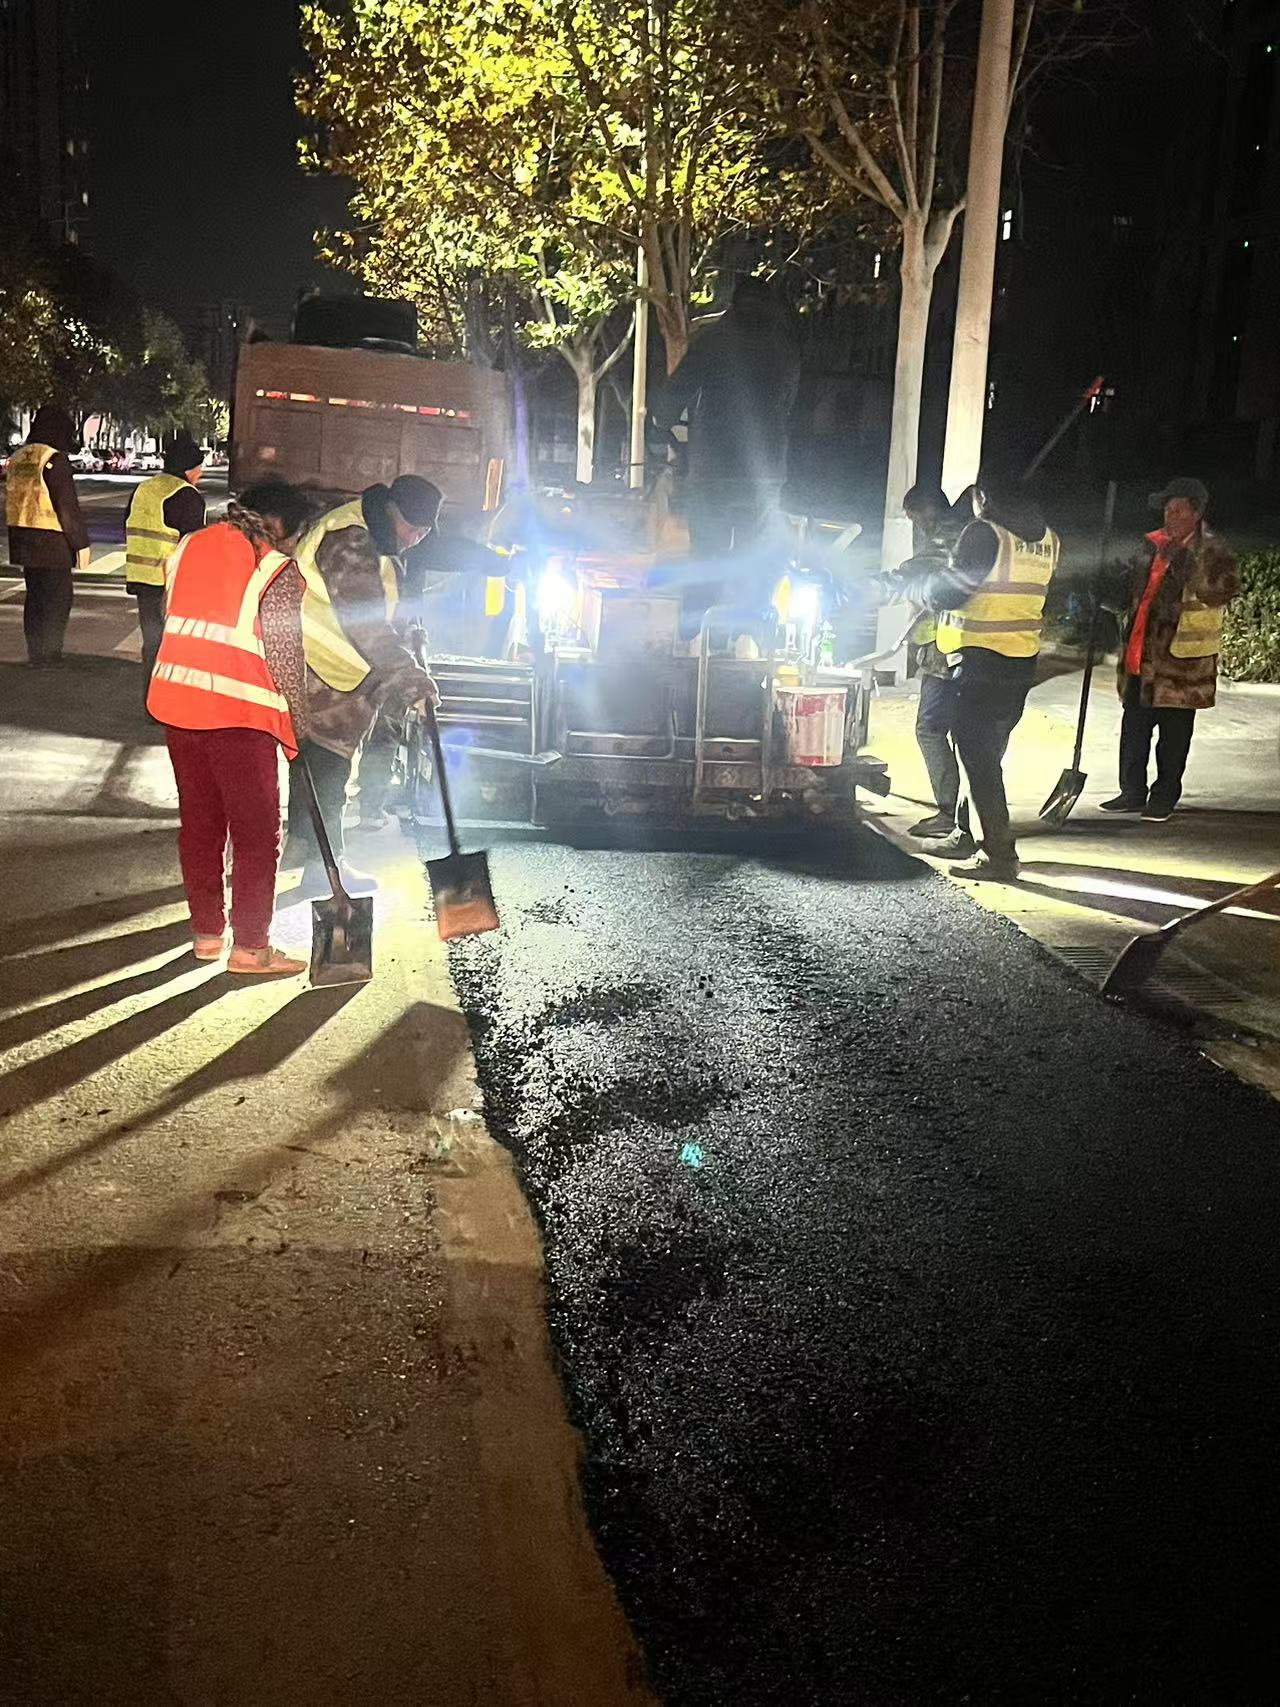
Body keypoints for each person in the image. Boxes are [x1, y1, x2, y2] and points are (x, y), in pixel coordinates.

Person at [147, 482, 312, 975]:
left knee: (200, 826)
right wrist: (300, 728)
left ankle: (206, 935)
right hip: (240, 718)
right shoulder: (273, 568)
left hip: (180, 708)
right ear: (281, 526)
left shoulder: (189, 546)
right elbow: (286, 659)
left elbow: (172, 614)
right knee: (256, 835)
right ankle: (251, 948)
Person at [286, 474, 441, 890]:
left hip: (335, 673)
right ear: (392, 510)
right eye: (412, 527)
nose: (415, 538)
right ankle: (324, 871)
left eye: (424, 532)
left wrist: (407, 631)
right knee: (328, 769)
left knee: (315, 766)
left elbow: (384, 603)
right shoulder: (349, 540)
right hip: (319, 671)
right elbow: (365, 623)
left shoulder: (378, 534)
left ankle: (301, 848)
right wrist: (412, 681)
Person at [914, 472, 1061, 879]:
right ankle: (966, 834)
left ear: (984, 497)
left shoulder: (985, 533)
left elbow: (951, 592)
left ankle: (998, 854)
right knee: (984, 752)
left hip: (980, 660)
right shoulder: (1048, 539)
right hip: (1020, 660)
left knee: (978, 758)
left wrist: (927, 589)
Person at [650, 277, 800, 614]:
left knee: (708, 550)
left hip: (714, 467)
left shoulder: (715, 340)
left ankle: (700, 620)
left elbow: (679, 389)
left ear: (734, 303)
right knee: (752, 551)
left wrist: (662, 422)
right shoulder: (784, 348)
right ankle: (746, 618)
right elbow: (788, 403)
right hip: (765, 471)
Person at [1099, 478, 1239, 822]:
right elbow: (1133, 593)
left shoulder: (1213, 551)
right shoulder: (1152, 545)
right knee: (1134, 727)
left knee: (1173, 736)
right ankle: (1132, 791)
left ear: (1197, 512)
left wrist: (1183, 562)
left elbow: (1220, 592)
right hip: (1140, 654)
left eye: (1178, 509)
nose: (1170, 515)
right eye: (1167, 509)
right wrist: (1107, 588)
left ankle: (1163, 797)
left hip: (1182, 667)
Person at [882, 482, 973, 839]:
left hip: (945, 648)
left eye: (915, 517)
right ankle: (963, 813)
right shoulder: (968, 532)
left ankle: (949, 813)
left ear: (928, 510)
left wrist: (876, 586)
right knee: (961, 732)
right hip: (961, 648)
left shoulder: (948, 535)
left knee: (931, 729)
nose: (916, 525)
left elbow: (920, 571)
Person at [4, 405, 90, 668]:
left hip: (23, 539)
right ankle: (51, 655)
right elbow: (67, 507)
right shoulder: (53, 459)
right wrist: (80, 544)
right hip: (52, 542)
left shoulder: (19, 457)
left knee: (35, 599)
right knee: (57, 601)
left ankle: (36, 653)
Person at [124, 430, 206, 689]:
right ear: (189, 469)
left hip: (141, 578)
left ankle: (149, 696)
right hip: (169, 581)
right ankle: (165, 697)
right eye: (199, 468)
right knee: (171, 645)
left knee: (151, 642)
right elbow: (194, 544)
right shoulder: (188, 495)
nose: (200, 474)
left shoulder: (144, 488)